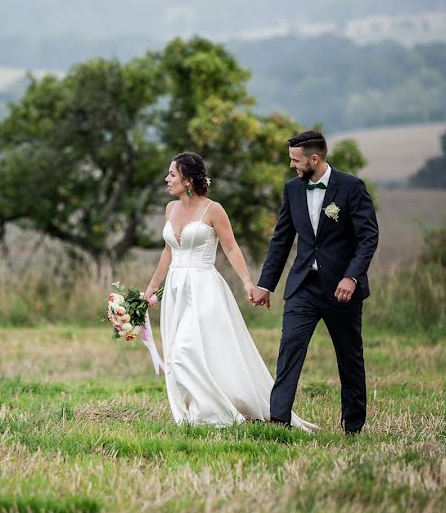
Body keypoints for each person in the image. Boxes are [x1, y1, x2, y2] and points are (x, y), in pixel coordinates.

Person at [144, 152, 318, 430]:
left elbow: (232, 247)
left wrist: (249, 283)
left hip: (204, 289)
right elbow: (168, 251)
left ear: (188, 180)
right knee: (183, 351)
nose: (167, 179)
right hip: (176, 291)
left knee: (185, 351)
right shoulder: (170, 209)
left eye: (172, 174)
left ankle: (211, 414)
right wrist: (150, 290)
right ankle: (198, 407)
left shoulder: (213, 210)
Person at [250, 130, 379, 435]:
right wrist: (266, 284)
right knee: (290, 347)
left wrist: (352, 276)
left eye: (296, 160)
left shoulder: (351, 187)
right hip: (303, 286)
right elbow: (281, 239)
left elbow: (368, 237)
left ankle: (354, 425)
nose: (292, 165)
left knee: (349, 355)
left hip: (341, 289)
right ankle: (279, 421)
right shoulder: (292, 190)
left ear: (315, 158)